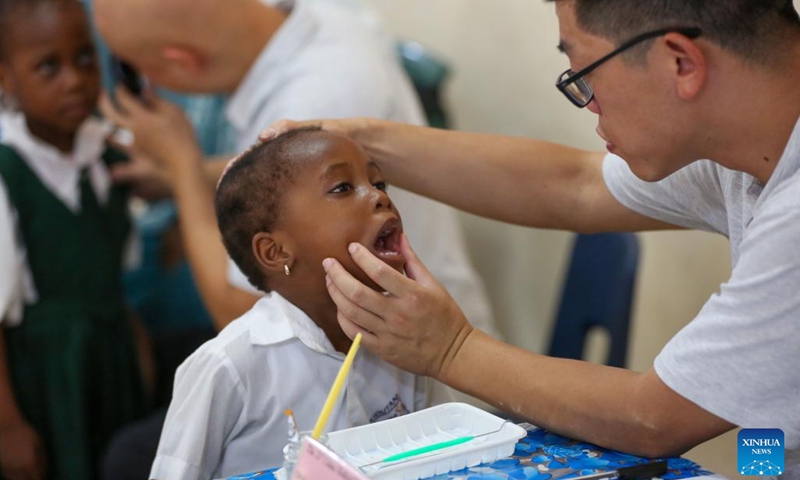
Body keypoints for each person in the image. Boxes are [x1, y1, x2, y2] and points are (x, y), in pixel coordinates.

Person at [262, 0, 800, 475]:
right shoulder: (746, 151)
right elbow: (577, 187)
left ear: (680, 62)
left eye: (584, 73)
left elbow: (654, 417)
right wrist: (355, 141)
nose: (590, 102)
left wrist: (449, 348)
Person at [93, 0, 497, 338]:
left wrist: (181, 163)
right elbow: (277, 174)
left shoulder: (314, 98)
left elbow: (239, 309)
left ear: (180, 62)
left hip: (419, 382)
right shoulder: (313, 17)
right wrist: (189, 175)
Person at [150, 128, 451, 480]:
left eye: (379, 184)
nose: (378, 197)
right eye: (342, 188)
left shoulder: (407, 339)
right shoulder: (229, 367)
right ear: (276, 252)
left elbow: (448, 451)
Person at [0, 0, 147, 479]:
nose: (75, 79)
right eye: (48, 66)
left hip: (112, 361)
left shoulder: (107, 156)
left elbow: (114, 278)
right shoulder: (8, 173)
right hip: (46, 377)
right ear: (5, 80)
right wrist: (8, 426)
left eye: (85, 57)